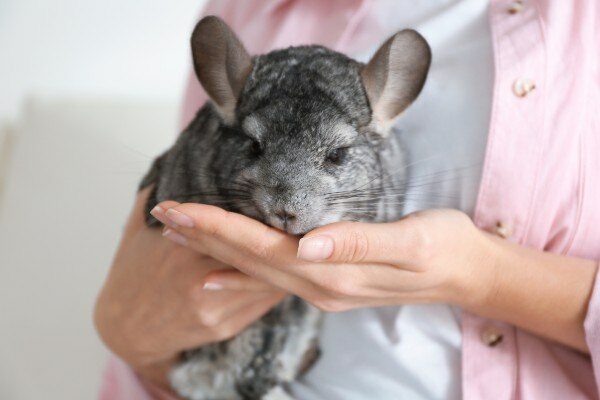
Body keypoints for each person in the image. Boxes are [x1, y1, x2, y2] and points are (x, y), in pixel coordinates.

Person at [94, 1, 600, 399]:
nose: (287, 203)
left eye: (335, 156)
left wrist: (482, 276)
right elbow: (193, 184)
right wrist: (130, 334)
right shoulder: (255, 5)